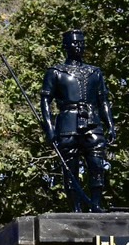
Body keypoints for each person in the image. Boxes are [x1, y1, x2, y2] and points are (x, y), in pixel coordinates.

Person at [40, 28, 115, 211]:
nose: (79, 46)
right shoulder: (56, 71)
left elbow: (103, 100)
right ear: (66, 46)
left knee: (97, 164)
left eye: (81, 43)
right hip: (68, 123)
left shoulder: (94, 72)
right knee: (70, 167)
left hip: (92, 122)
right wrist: (49, 129)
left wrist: (110, 124)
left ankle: (96, 205)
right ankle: (76, 208)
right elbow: (45, 100)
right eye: (75, 43)